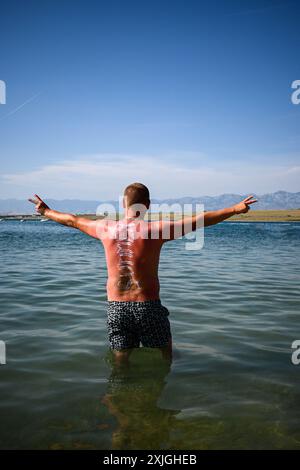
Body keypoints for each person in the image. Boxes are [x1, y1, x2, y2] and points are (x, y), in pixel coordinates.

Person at [29, 183, 257, 364]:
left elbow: (72, 220)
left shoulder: (105, 228)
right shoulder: (155, 230)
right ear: (147, 204)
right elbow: (200, 220)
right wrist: (235, 209)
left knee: (120, 361)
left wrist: (46, 211)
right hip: (147, 305)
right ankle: (160, 399)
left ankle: (120, 404)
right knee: (166, 355)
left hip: (116, 306)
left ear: (123, 203)